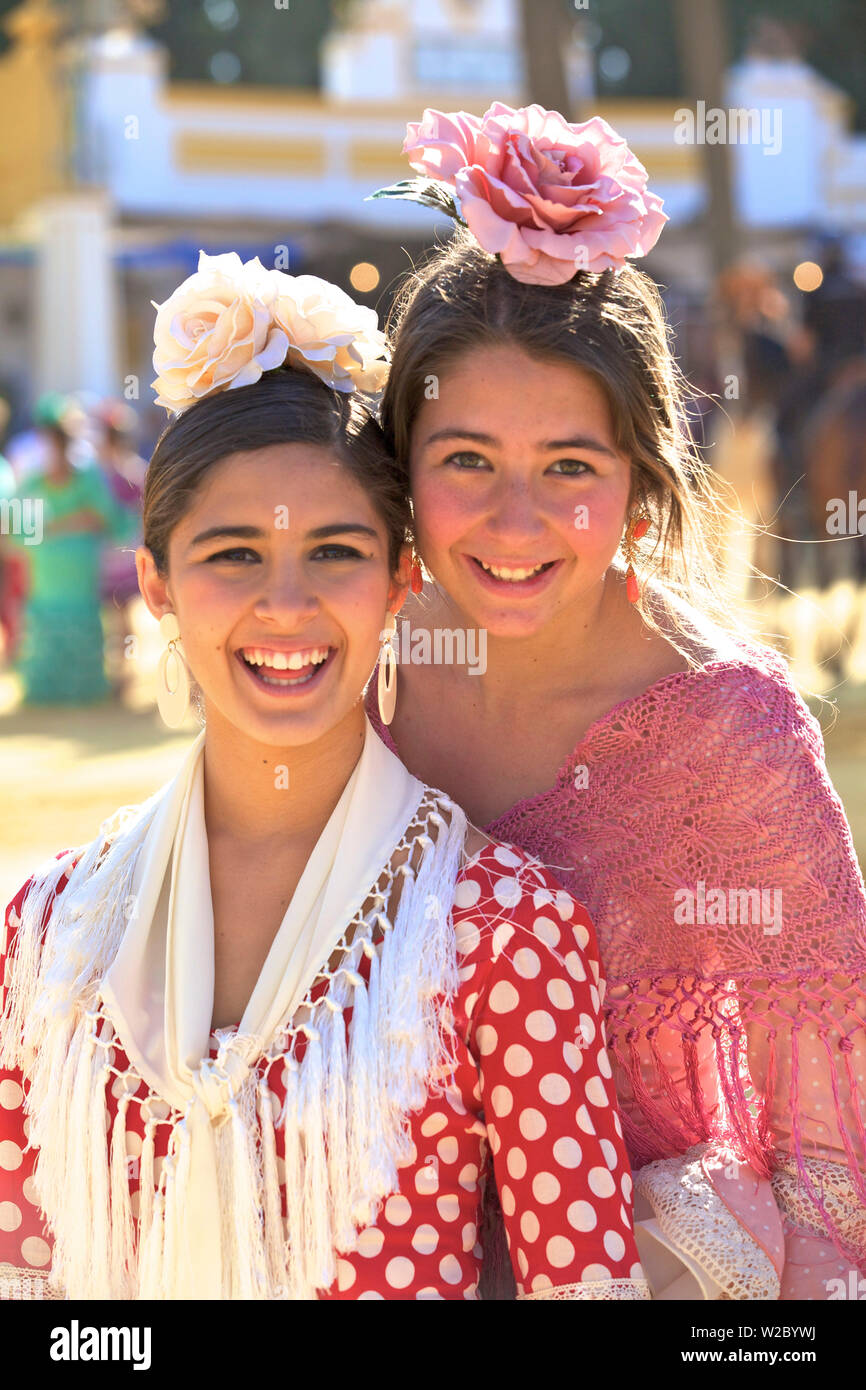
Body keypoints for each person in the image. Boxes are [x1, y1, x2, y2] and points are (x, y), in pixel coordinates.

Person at [0, 252, 647, 1302]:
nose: (287, 606)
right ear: (157, 586)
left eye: (336, 552)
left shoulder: (499, 933)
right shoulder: (48, 933)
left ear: (400, 578)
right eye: (235, 555)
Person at [365, 102, 866, 1299]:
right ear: (400, 469)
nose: (514, 520)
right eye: (466, 460)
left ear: (641, 485)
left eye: (569, 469)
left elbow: (830, 1152)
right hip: (374, 1232)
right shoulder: (363, 665)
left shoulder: (723, 736)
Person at [6, 399, 134, 704]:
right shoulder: (38, 481)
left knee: (75, 626)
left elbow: (108, 519)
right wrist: (74, 523)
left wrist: (54, 529)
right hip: (49, 577)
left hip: (74, 575)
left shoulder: (83, 477)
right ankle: (53, 690)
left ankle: (74, 689)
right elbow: (20, 534)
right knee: (50, 626)